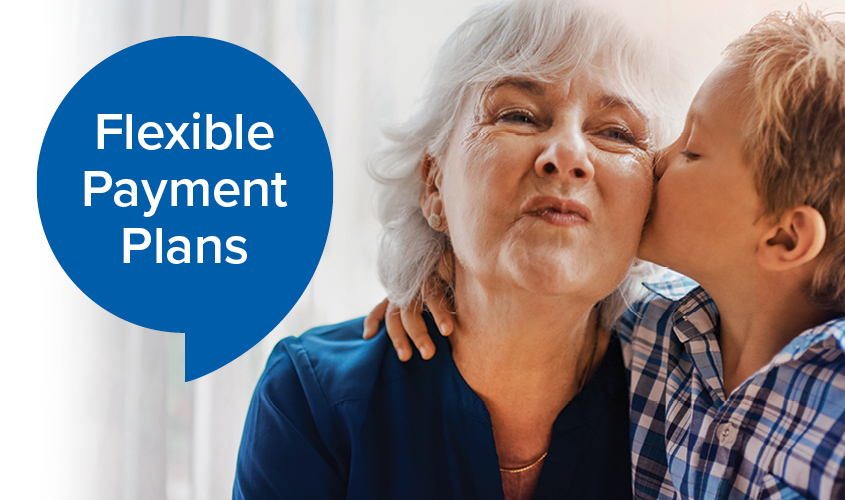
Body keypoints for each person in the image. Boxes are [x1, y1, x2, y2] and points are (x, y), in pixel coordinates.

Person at [373, 8, 845, 499]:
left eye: (692, 150)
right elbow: (536, 303)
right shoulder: (660, 331)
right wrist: (438, 276)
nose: (655, 160)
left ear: (784, 238)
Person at [232, 1, 685, 499]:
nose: (568, 155)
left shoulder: (690, 404)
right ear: (434, 184)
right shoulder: (312, 399)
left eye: (616, 133)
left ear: (649, 208)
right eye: (519, 115)